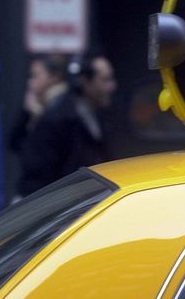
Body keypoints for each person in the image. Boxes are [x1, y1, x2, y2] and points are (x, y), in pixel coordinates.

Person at [16, 53, 117, 197]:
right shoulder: (61, 117)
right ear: (85, 81)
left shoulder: (95, 113)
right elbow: (42, 172)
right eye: (105, 80)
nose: (112, 86)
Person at [7, 54, 69, 162]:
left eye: (35, 76)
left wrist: (39, 116)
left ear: (54, 77)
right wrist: (26, 112)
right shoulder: (37, 106)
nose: (30, 82)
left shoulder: (63, 107)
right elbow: (15, 144)